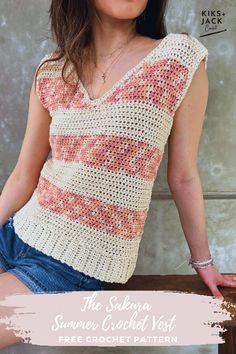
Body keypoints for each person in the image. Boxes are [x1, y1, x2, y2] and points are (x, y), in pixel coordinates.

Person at [1, 0, 236, 348]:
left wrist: (203, 261)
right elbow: (24, 175)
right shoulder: (53, 70)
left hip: (70, 267)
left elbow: (183, 174)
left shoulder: (178, 58)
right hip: (17, 232)